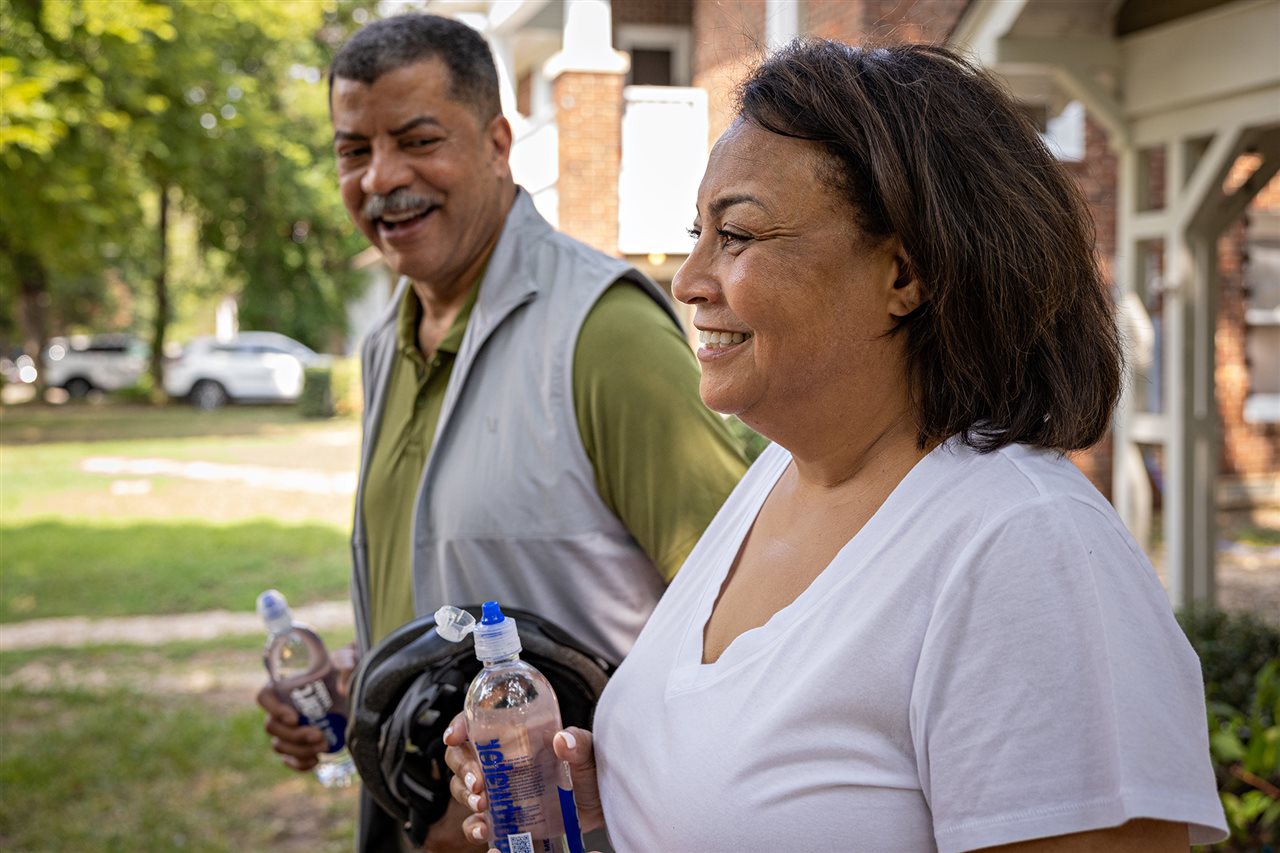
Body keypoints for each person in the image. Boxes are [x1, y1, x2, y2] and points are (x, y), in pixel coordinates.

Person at [443, 40, 1228, 852]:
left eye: (738, 234)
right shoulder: (783, 474)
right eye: (697, 232)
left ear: (905, 272)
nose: (688, 279)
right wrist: (608, 788)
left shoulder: (1027, 551)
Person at [255, 13, 747, 853]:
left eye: (417, 140)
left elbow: (746, 629)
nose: (381, 178)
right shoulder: (388, 342)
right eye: (352, 150)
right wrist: (362, 684)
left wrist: (539, 779)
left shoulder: (604, 332)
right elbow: (450, 593)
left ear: (496, 142)